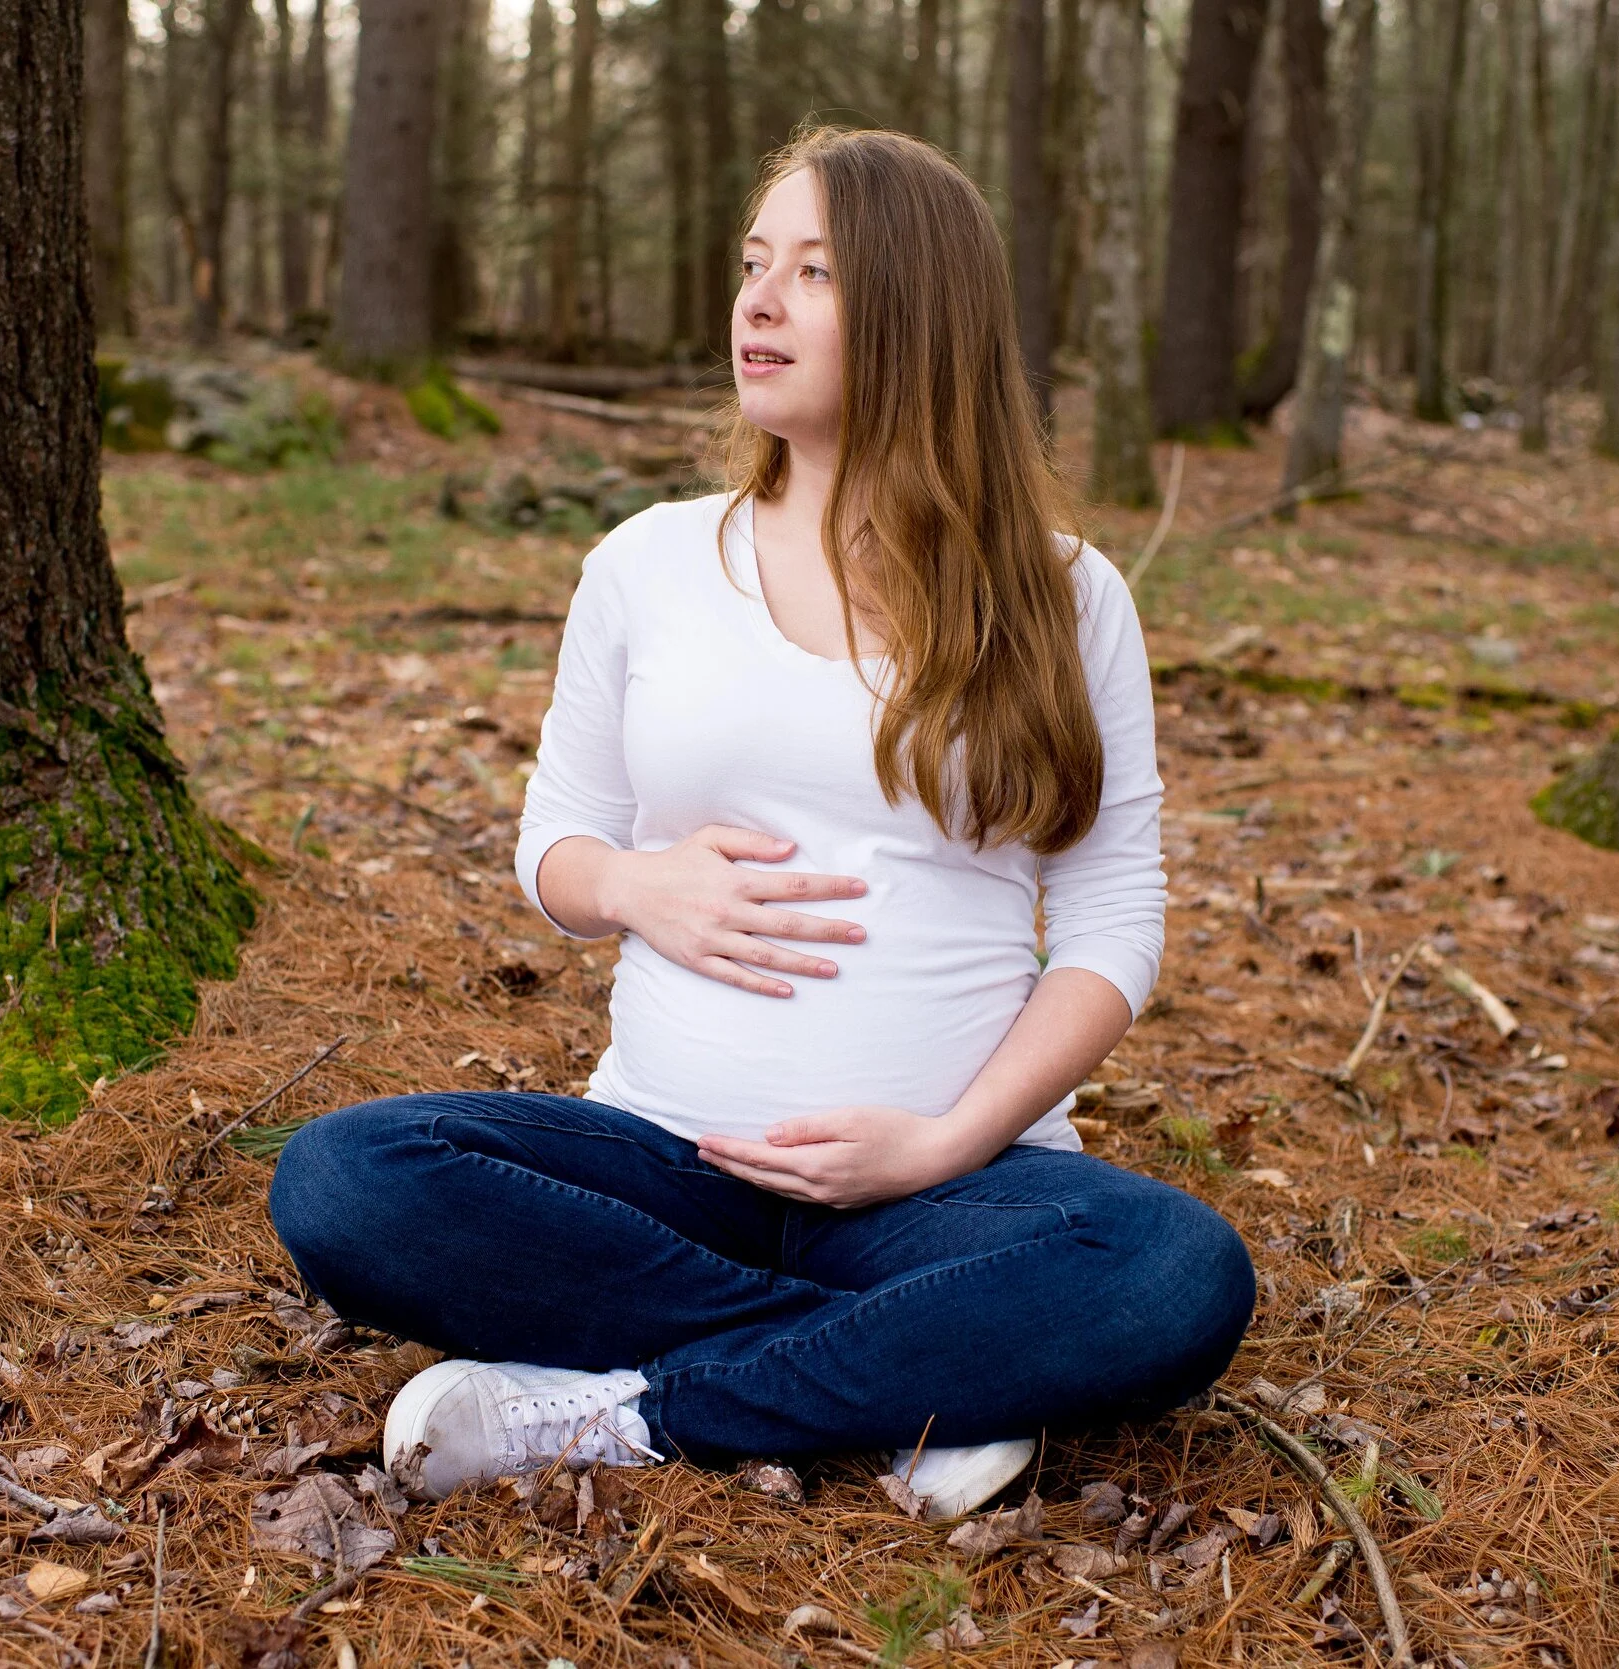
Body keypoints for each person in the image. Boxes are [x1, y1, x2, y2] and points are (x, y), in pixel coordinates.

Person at [269, 126, 1255, 1520]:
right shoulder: (650, 562)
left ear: (918, 315)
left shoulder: (1063, 593)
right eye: (752, 267)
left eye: (814, 273)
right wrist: (634, 888)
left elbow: (1112, 920)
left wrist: (947, 1142)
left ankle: (625, 1413)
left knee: (1177, 1274)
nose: (759, 303)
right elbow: (555, 839)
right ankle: (921, 1381)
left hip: (949, 1195)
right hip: (665, 1168)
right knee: (344, 1179)